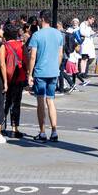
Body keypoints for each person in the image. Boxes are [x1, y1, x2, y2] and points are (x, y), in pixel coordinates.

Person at [27, 12, 64, 142]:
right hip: (54, 71)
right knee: (51, 101)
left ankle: (42, 132)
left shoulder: (37, 35)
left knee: (40, 101)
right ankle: (54, 131)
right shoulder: (58, 34)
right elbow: (60, 55)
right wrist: (57, 67)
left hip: (41, 72)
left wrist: (29, 74)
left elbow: (32, 56)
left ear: (42, 19)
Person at [3, 23, 28, 139]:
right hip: (19, 77)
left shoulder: (3, 46)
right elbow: (26, 61)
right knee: (16, 103)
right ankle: (14, 129)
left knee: (5, 102)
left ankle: (2, 127)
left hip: (6, 78)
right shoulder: (21, 45)